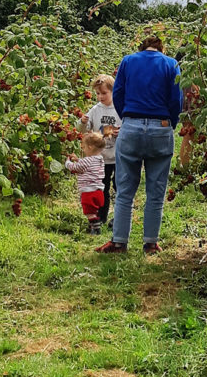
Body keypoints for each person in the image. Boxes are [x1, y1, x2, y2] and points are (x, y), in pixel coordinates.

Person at [96, 35, 183, 255]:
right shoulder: (171, 64)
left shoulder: (128, 61)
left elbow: (118, 93)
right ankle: (151, 244)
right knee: (156, 191)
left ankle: (119, 242)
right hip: (160, 127)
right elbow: (176, 99)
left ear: (142, 48)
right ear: (161, 49)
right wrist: (169, 123)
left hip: (131, 126)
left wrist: (128, 117)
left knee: (125, 189)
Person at [79, 74, 120, 226]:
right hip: (100, 158)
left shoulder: (119, 108)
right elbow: (85, 129)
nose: (100, 97)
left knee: (119, 187)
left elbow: (126, 127)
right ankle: (102, 217)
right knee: (102, 187)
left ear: (113, 92)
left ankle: (118, 218)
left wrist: (120, 131)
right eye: (98, 93)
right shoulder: (95, 110)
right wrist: (82, 122)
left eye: (104, 93)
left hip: (117, 155)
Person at [66, 133, 108, 234]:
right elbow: (87, 164)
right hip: (98, 192)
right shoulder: (100, 159)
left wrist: (67, 163)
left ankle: (95, 228)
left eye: (84, 147)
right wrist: (78, 160)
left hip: (89, 192)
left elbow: (75, 168)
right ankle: (93, 226)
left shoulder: (87, 161)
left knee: (89, 213)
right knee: (93, 211)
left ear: (90, 147)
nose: (83, 150)